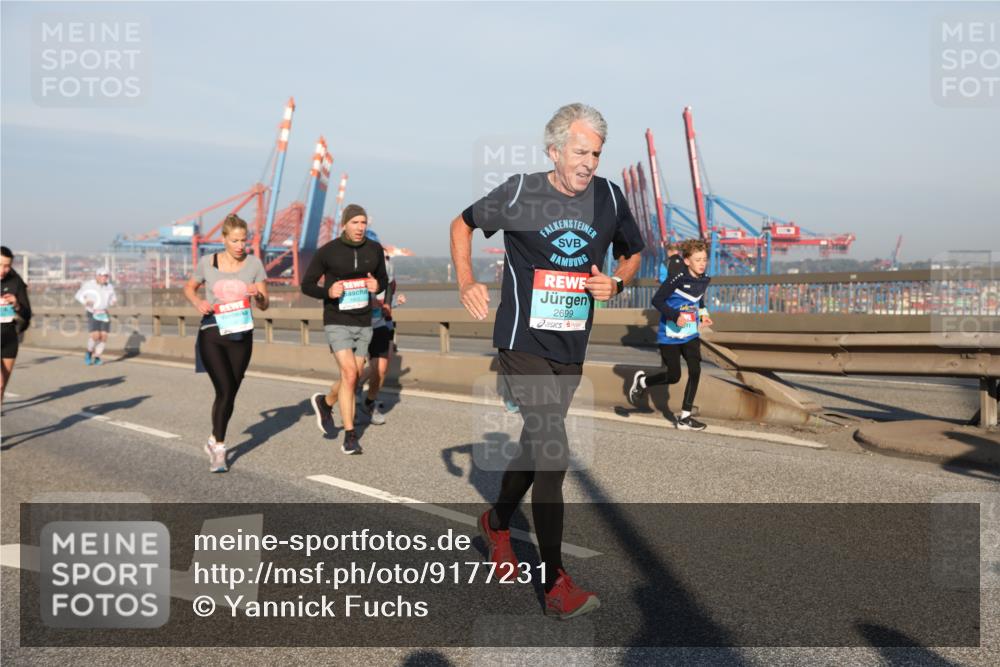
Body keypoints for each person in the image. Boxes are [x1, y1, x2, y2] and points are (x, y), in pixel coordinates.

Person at [450, 103, 644, 619]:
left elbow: (633, 254)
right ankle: (556, 582)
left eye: (596, 154)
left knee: (536, 444)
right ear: (554, 150)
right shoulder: (520, 191)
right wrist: (466, 279)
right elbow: (462, 223)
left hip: (570, 346)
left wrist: (618, 280)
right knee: (554, 451)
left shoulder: (609, 196)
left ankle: (496, 523)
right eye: (580, 151)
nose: (588, 163)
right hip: (521, 341)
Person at [183, 214, 269, 472]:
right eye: (235, 240)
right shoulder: (207, 262)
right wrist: (198, 302)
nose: (241, 245)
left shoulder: (254, 264)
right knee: (224, 389)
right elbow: (189, 287)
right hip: (212, 331)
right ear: (224, 239)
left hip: (241, 334)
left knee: (231, 391)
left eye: (244, 240)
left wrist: (259, 294)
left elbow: (265, 304)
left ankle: (212, 438)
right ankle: (220, 448)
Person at [302, 204, 388, 455]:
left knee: (353, 375)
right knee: (350, 374)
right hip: (337, 319)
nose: (360, 228)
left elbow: (382, 280)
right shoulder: (328, 252)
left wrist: (376, 284)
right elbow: (307, 285)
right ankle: (350, 436)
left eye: (363, 223)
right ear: (344, 225)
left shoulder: (374, 250)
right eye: (355, 223)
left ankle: (326, 402)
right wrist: (327, 291)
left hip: (364, 322)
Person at [628, 238, 713, 430]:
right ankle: (643, 382)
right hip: (670, 334)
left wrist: (704, 314)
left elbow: (698, 300)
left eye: (704, 259)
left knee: (695, 370)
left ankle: (685, 417)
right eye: (698, 259)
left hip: (690, 333)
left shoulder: (705, 279)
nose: (702, 263)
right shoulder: (677, 279)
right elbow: (657, 300)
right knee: (673, 376)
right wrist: (675, 316)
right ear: (687, 261)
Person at [360, 244, 406, 426]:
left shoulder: (389, 279)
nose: (385, 262)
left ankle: (369, 401)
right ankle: (352, 391)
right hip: (359, 326)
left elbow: (387, 301)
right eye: (381, 258)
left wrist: (395, 302)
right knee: (360, 369)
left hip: (382, 324)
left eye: (387, 258)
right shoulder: (361, 274)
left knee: (381, 368)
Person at [1, 246, 32, 405]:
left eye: (7, 266)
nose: (4, 270)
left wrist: (17, 304)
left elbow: (27, 314)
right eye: (0, 265)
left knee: (1, 388)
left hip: (9, 339)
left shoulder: (16, 281)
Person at [75, 267, 117, 365]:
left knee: (104, 337)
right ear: (97, 276)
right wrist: (86, 301)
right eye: (102, 276)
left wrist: (113, 301)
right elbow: (78, 295)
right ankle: (89, 352)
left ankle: (97, 356)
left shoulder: (109, 286)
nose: (104, 278)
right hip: (92, 312)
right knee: (95, 336)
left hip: (104, 313)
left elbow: (112, 299)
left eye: (106, 276)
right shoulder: (89, 285)